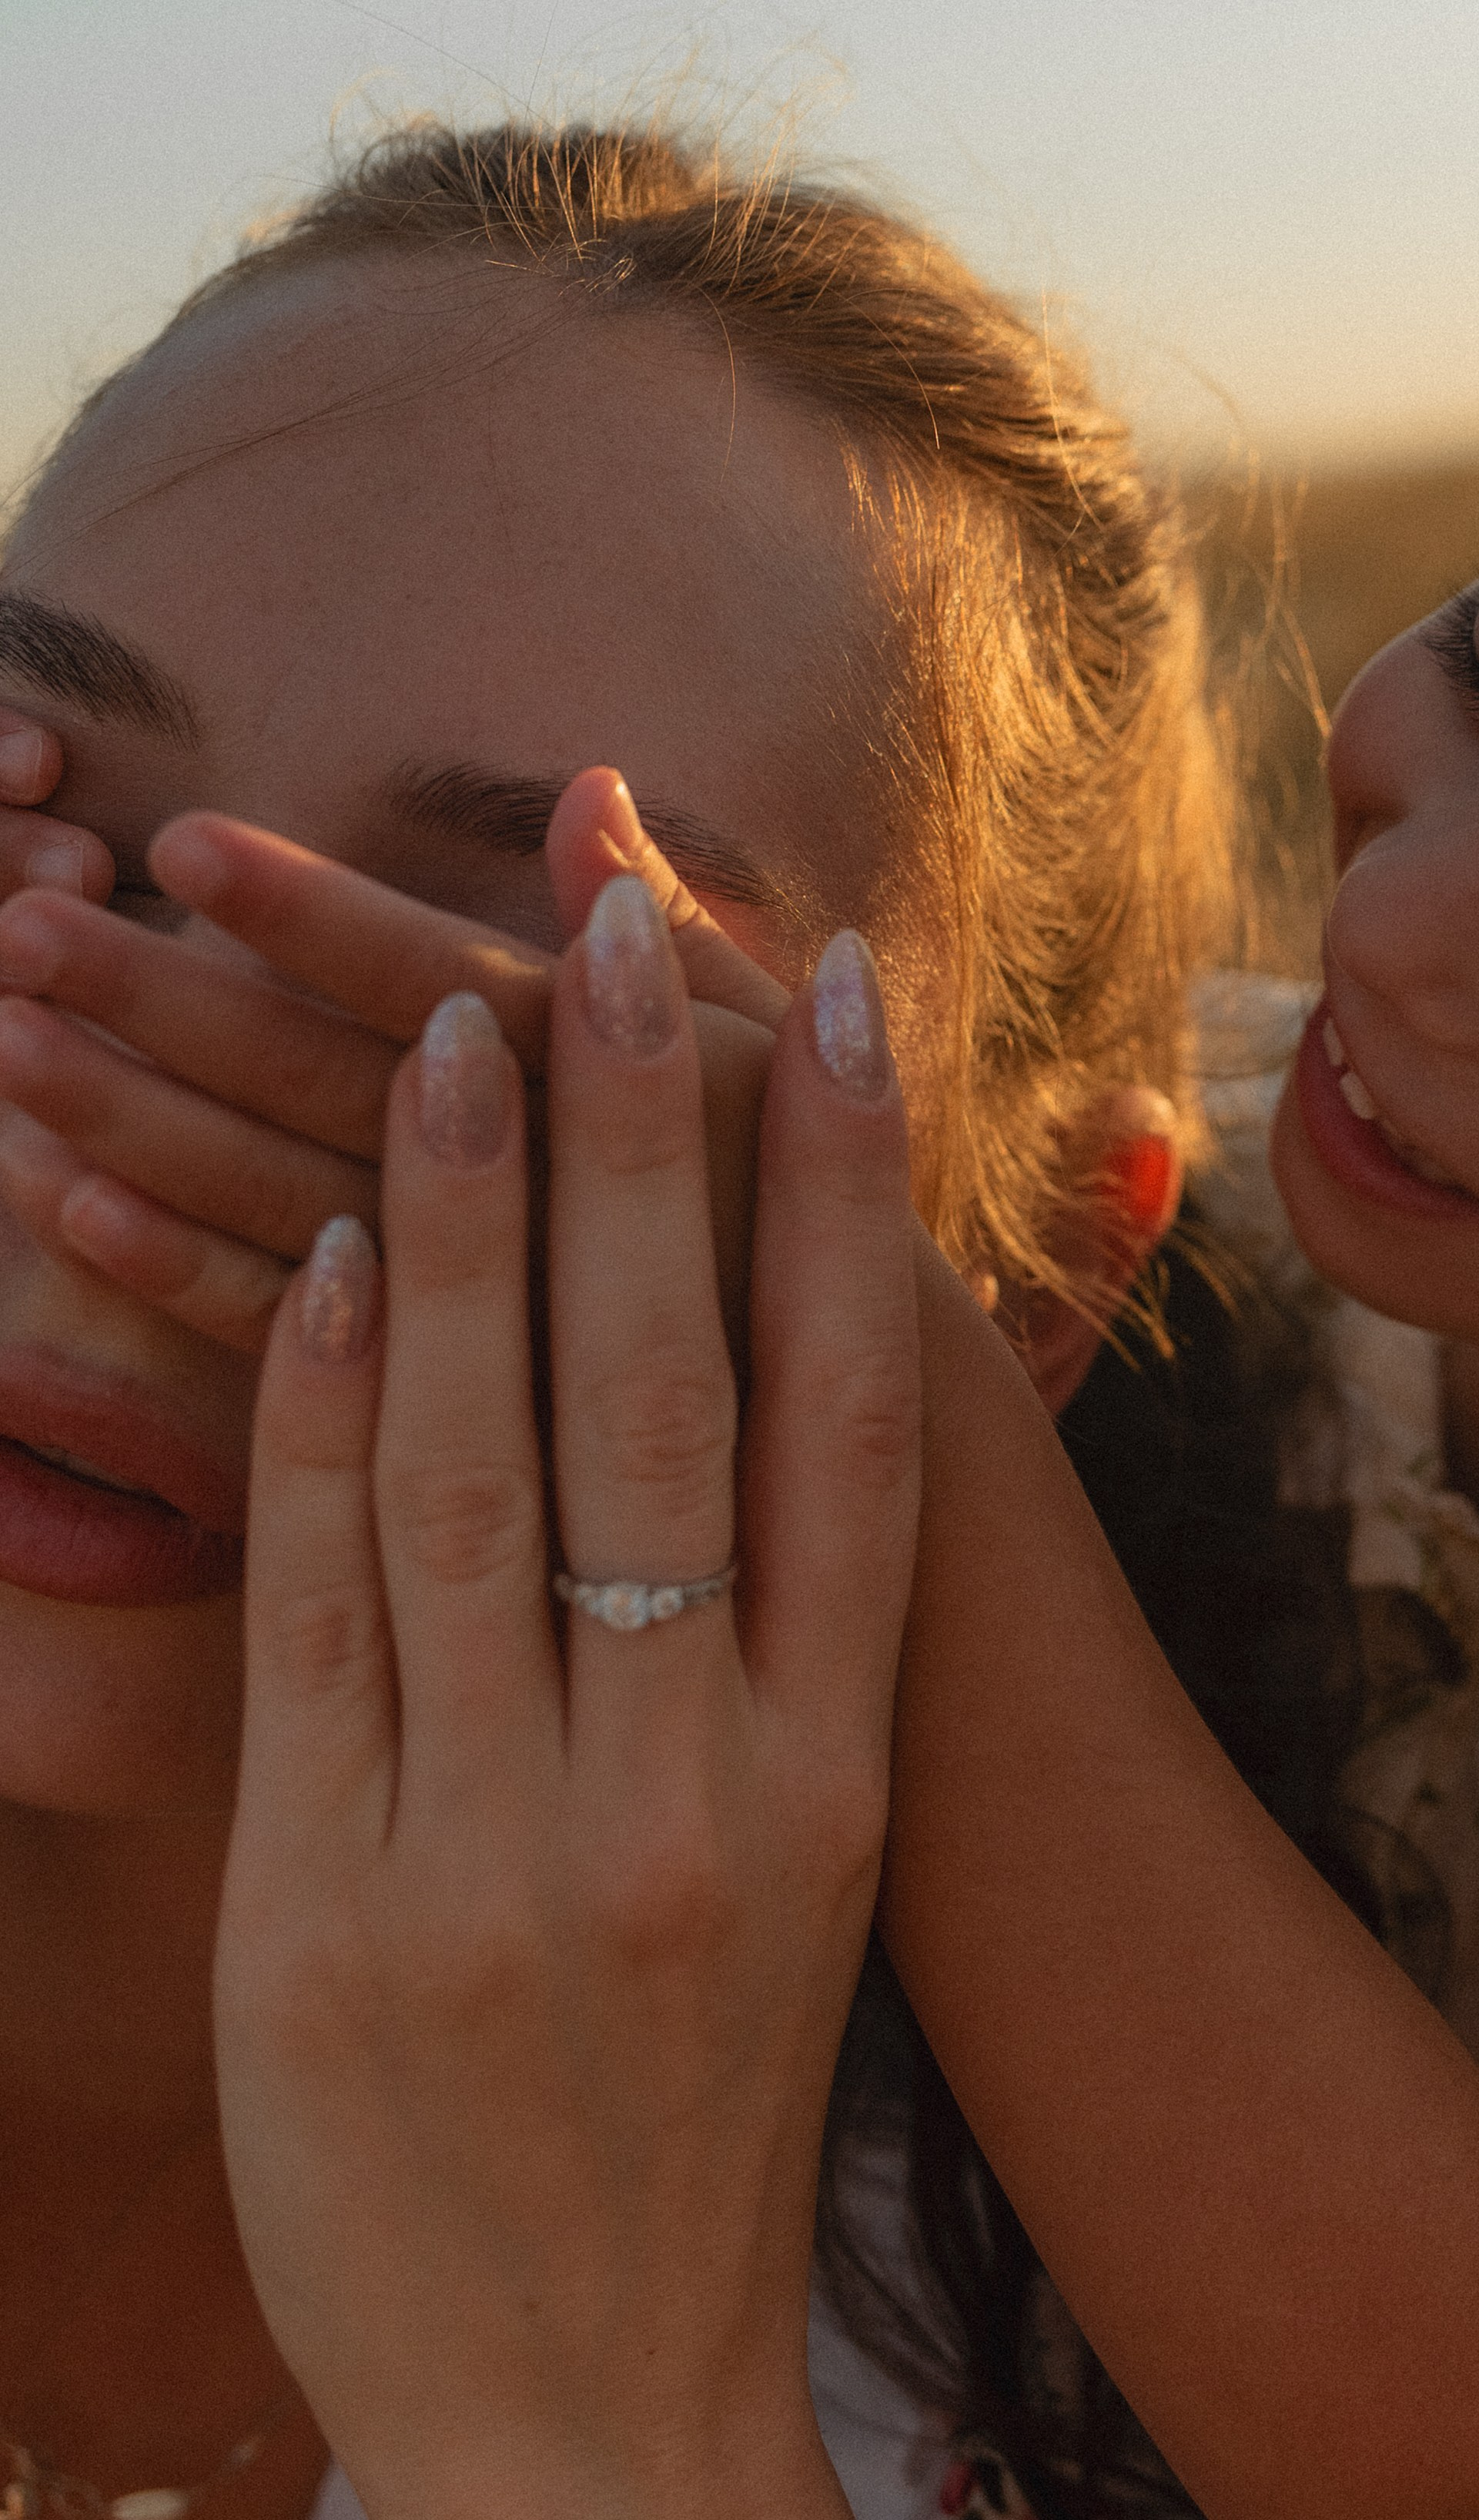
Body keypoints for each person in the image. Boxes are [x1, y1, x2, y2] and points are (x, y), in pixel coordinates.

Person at [0, 119, 1250, 2520]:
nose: (99, 1181)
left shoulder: (1183, 2383)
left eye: (474, 1012)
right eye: (50, 836)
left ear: (1037, 1294)